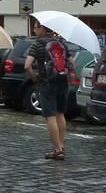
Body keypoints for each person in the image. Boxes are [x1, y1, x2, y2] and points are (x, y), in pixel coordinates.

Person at [25, 19, 73, 159]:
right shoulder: (61, 44)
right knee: (60, 113)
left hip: (47, 82)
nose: (34, 31)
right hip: (63, 81)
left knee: (50, 116)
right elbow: (73, 65)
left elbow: (27, 65)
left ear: (42, 28)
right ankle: (61, 146)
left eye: (35, 28)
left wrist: (35, 79)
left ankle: (57, 150)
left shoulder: (37, 44)